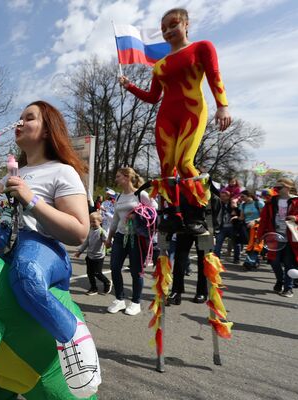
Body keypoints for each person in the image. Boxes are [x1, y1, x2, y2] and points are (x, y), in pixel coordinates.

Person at [0, 100, 100, 397]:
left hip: (41, 247)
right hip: (5, 241)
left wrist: (32, 200)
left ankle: (74, 337)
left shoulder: (62, 172)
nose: (19, 123)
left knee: (26, 273)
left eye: (29, 118)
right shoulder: (12, 174)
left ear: (46, 130)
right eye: (19, 118)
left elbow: (79, 231)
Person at [119, 7, 231, 234]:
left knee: (184, 162)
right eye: (163, 29)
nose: (168, 31)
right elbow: (152, 98)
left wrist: (222, 106)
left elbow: (214, 75)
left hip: (192, 111)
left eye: (173, 25)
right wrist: (129, 85)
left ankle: (198, 212)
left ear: (186, 24)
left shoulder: (202, 47)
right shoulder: (159, 65)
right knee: (167, 168)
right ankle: (175, 214)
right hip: (165, 117)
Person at [105, 167, 158, 316]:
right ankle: (119, 299)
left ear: (127, 177)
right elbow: (115, 219)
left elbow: (154, 210)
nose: (116, 179)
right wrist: (109, 238)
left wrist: (136, 215)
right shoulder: (119, 197)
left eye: (118, 176)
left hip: (137, 237)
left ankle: (135, 302)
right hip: (121, 236)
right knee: (115, 267)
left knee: (136, 271)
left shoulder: (141, 194)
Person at [257, 178, 298, 297]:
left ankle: (288, 288)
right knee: (274, 261)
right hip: (274, 236)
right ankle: (280, 280)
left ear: (287, 187)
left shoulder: (296, 201)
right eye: (275, 188)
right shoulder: (271, 202)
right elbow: (264, 220)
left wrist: (295, 218)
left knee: (289, 263)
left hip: (291, 237)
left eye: (278, 188)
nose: (276, 190)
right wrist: (259, 236)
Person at [75, 212, 112, 296]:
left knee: (97, 273)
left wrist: (108, 243)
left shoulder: (102, 232)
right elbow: (86, 242)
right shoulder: (90, 230)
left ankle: (107, 282)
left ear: (100, 222)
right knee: (90, 273)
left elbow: (107, 243)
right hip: (90, 256)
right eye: (90, 221)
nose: (92, 223)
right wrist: (80, 251)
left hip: (98, 257)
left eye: (94, 221)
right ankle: (93, 288)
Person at [214, 189, 241, 262]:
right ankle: (217, 259)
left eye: (224, 196)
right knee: (218, 243)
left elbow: (240, 214)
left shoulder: (233, 203)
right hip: (222, 227)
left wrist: (235, 207)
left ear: (228, 197)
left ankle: (236, 259)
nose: (222, 198)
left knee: (236, 244)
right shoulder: (219, 204)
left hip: (232, 227)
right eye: (221, 196)